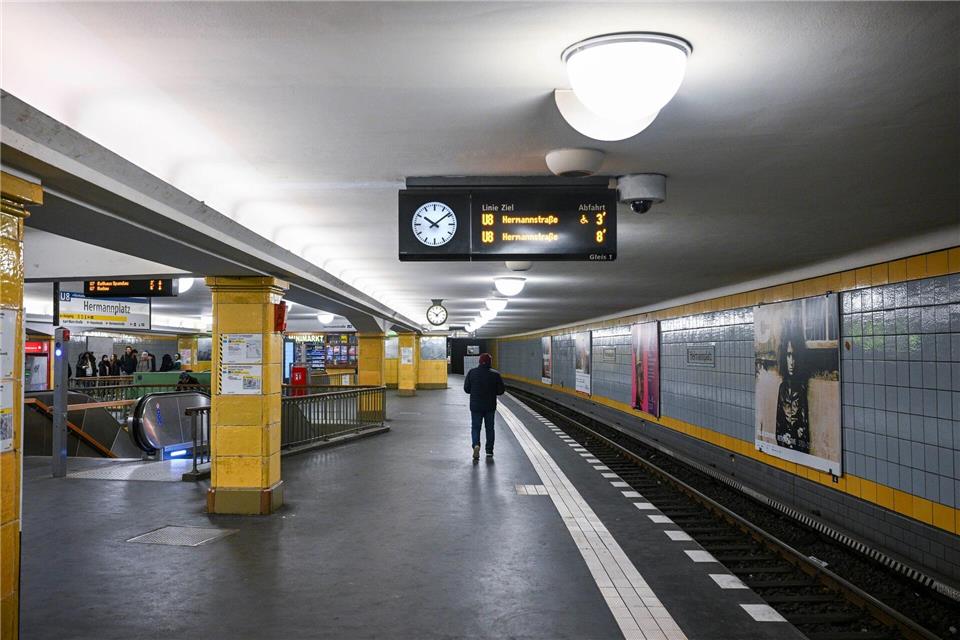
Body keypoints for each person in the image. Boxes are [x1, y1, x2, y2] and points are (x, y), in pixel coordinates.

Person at [775, 321, 810, 453]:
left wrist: (796, 435)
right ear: (784, 357)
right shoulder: (782, 388)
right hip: (784, 446)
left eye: (794, 356)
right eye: (788, 355)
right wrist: (784, 436)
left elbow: (804, 428)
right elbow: (778, 426)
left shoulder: (801, 389)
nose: (792, 362)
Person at [463, 352, 505, 460]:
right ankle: (489, 451)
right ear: (490, 362)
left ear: (479, 362)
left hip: (476, 406)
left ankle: (476, 445)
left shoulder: (472, 372)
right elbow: (501, 391)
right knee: (490, 428)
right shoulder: (495, 374)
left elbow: (466, 389)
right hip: (490, 406)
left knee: (476, 427)